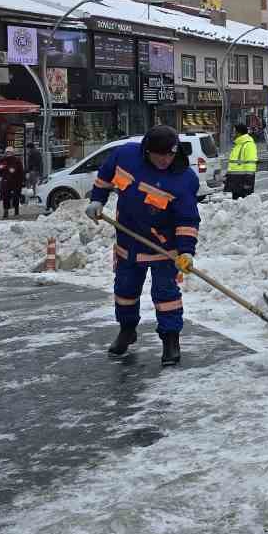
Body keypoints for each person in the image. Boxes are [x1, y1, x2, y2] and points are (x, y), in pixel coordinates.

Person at [85, 125, 200, 366]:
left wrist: (186, 252)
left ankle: (170, 340)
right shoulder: (125, 156)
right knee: (124, 292)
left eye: (170, 155)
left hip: (163, 248)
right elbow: (105, 176)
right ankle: (127, 330)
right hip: (128, 243)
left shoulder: (184, 179)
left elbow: (187, 220)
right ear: (147, 151)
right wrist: (97, 200)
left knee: (166, 296)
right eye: (159, 155)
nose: (165, 160)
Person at [225, 121, 258, 199]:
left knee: (243, 204)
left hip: (243, 182)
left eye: (234, 132)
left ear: (239, 133)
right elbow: (234, 165)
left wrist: (248, 182)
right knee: (237, 204)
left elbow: (250, 165)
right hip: (236, 182)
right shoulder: (238, 145)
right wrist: (227, 177)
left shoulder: (248, 145)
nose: (232, 134)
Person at [0, 146, 27, 218]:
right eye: (7, 152)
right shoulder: (2, 160)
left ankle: (16, 211)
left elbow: (21, 171)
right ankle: (6, 212)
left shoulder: (17, 160)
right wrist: (0, 168)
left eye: (10, 152)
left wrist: (23, 181)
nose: (8, 154)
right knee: (5, 197)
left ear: (13, 153)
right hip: (6, 181)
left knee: (16, 196)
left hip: (16, 181)